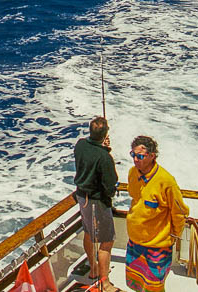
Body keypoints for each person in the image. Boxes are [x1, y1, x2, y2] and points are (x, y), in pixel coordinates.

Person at [125, 136, 189, 292]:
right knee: (136, 283)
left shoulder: (166, 181)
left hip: (156, 246)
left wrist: (174, 235)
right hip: (135, 241)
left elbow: (180, 212)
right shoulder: (133, 172)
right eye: (133, 155)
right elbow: (135, 197)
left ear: (152, 156)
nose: (135, 159)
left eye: (140, 156)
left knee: (154, 287)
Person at [73, 116, 119, 290]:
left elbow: (88, 155)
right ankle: (104, 282)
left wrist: (102, 148)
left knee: (89, 233)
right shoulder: (104, 157)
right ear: (105, 134)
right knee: (106, 241)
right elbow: (110, 184)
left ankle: (93, 269)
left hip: (81, 197)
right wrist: (105, 151)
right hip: (97, 201)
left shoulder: (80, 144)